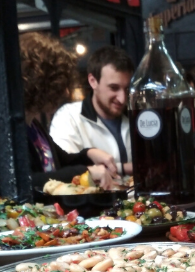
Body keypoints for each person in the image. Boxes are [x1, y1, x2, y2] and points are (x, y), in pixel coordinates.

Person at [18, 32, 119, 190]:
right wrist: (85, 171)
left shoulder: (33, 125)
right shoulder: (4, 128)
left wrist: (88, 154)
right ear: (37, 82)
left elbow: (63, 161)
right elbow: (25, 182)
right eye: (56, 83)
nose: (65, 92)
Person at [50, 45, 135, 183]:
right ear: (93, 81)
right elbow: (66, 173)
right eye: (114, 88)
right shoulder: (68, 117)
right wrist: (126, 168)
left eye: (127, 89)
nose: (122, 98)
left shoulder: (135, 117)